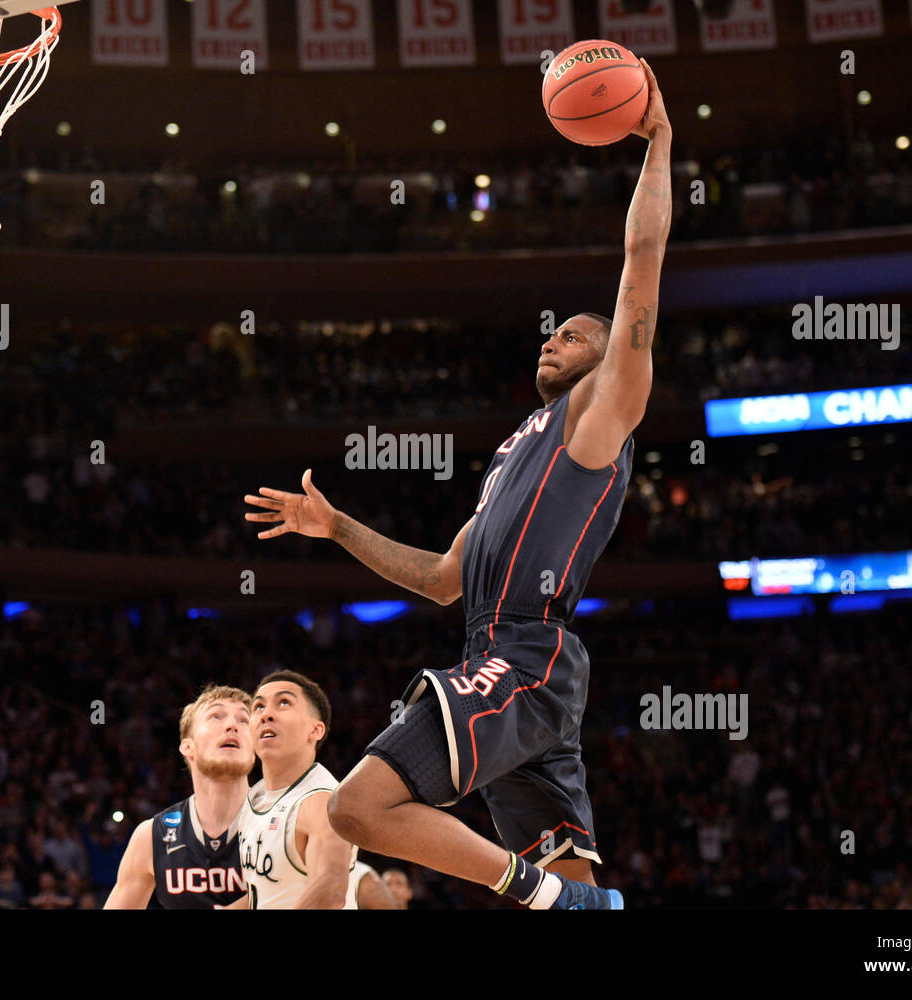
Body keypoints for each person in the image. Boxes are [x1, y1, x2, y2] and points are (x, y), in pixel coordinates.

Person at [247, 61, 671, 911]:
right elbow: (442, 579)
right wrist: (339, 529)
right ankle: (569, 900)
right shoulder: (519, 449)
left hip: (525, 654)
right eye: (554, 332)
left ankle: (548, 895)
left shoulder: (602, 411)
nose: (558, 338)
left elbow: (641, 259)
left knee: (360, 808)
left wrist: (659, 141)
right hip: (502, 660)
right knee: (577, 891)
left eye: (580, 334)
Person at [104, 685, 253, 909]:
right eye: (216, 716)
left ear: (255, 748)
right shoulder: (152, 837)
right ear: (187, 746)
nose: (232, 725)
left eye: (244, 720)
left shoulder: (285, 819)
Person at [228, 671, 356, 909]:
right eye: (258, 707)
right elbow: (269, 894)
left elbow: (330, 890)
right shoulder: (255, 797)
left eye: (284, 702)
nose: (266, 714)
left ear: (315, 730)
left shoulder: (322, 801)